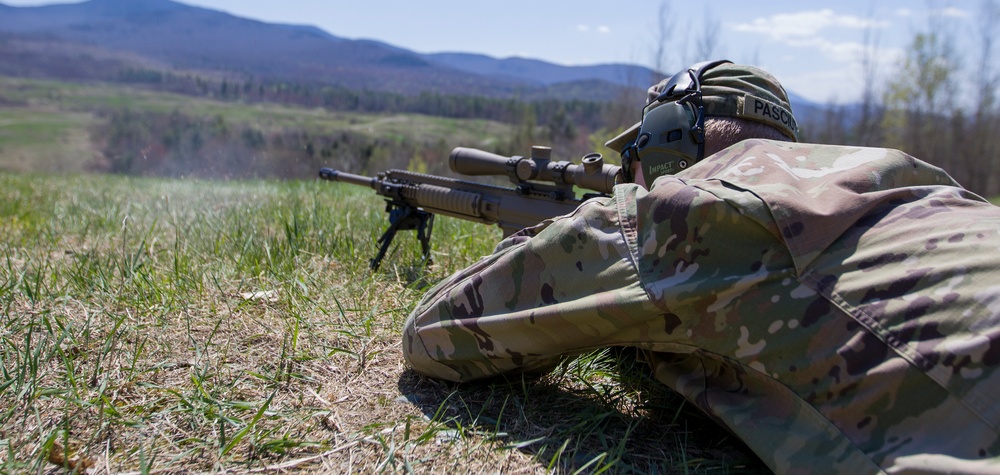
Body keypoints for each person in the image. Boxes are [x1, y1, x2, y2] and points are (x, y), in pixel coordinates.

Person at [402, 60, 1000, 474]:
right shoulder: (910, 176)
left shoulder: (688, 209)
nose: (625, 177)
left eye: (633, 160)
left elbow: (432, 336)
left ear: (669, 145)